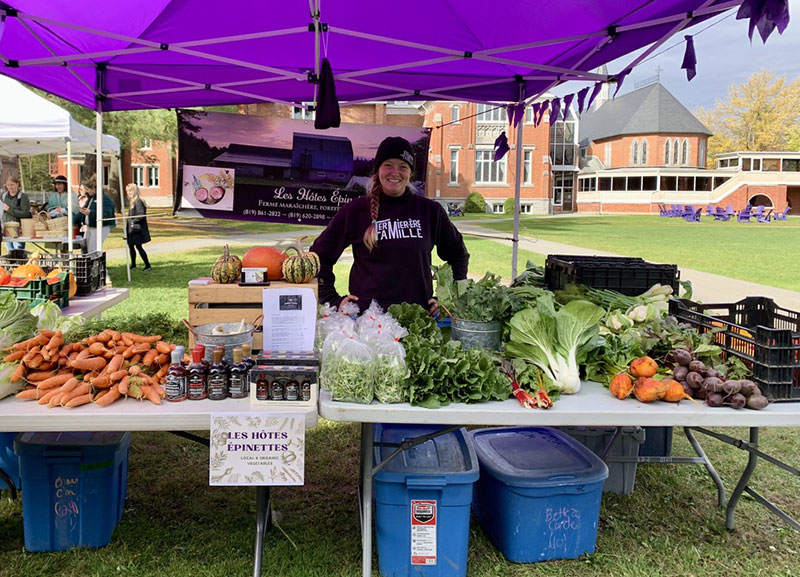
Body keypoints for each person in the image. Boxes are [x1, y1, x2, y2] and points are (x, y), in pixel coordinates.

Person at [310, 136, 469, 316]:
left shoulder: (430, 211)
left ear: (410, 173)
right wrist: (332, 299)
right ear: (378, 170)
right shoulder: (355, 211)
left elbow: (458, 255)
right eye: (388, 165)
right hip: (368, 321)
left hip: (417, 319)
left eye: (403, 167)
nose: (395, 172)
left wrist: (448, 298)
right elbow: (318, 256)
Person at [78, 175, 116, 252]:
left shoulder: (104, 199)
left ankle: (96, 260)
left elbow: (105, 215)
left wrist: (90, 212)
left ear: (94, 188)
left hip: (101, 227)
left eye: (88, 189)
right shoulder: (91, 198)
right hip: (90, 226)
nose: (87, 191)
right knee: (86, 247)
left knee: (93, 249)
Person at [125, 183, 151, 271]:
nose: (128, 193)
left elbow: (141, 214)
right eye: (127, 191)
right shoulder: (132, 202)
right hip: (132, 229)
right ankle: (133, 265)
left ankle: (148, 265)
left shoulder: (138, 201)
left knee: (138, 247)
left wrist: (133, 221)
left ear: (135, 191)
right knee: (131, 246)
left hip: (137, 229)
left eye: (130, 191)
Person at [2, 176, 31, 251]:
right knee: (10, 252)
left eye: (12, 184)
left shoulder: (23, 197)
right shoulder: (3, 196)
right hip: (6, 229)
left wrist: (9, 209)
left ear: (17, 184)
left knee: (18, 251)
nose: (10, 187)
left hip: (18, 229)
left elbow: (25, 213)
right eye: (8, 185)